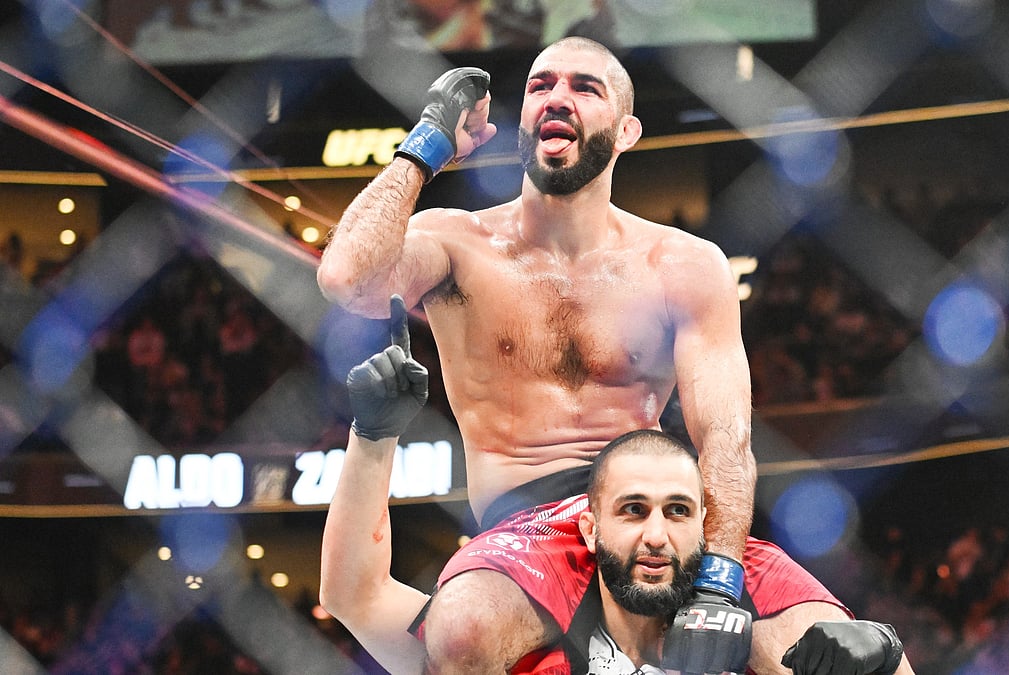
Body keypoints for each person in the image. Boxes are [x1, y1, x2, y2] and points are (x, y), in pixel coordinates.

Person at [317, 37, 910, 674]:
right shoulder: (455, 242)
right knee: (461, 631)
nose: (557, 99)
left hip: (658, 511)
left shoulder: (681, 263)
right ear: (519, 119)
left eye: (584, 87)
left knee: (863, 657)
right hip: (528, 525)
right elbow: (347, 280)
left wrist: (719, 575)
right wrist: (428, 142)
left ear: (626, 131)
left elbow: (725, 436)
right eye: (541, 86)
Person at [321, 306, 913, 674]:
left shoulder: (762, 637)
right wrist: (374, 435)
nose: (656, 535)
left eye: (677, 511)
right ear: (589, 525)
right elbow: (355, 595)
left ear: (703, 526)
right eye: (634, 511)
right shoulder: (512, 653)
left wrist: (883, 649)